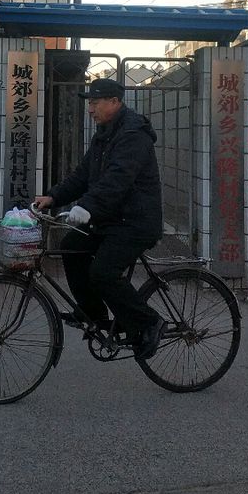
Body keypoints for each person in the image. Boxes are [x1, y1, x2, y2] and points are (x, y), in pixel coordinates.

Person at [34, 77, 165, 360]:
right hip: (111, 219)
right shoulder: (104, 133)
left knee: (103, 272)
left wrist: (87, 207)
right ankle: (95, 316)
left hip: (135, 222)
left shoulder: (133, 135)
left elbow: (117, 180)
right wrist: (53, 197)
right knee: (71, 248)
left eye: (94, 103)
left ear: (114, 103)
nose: (90, 109)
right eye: (89, 104)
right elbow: (83, 175)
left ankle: (149, 322)